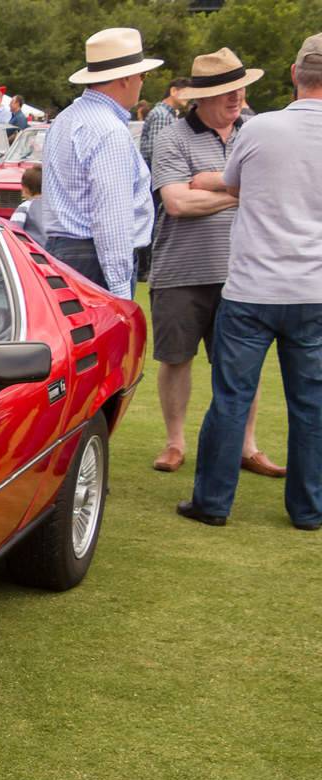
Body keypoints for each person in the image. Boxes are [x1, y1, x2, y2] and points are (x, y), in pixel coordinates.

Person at [180, 34, 322, 531]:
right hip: (313, 288)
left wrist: (209, 180)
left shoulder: (260, 128)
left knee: (231, 397)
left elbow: (236, 183)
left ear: (293, 73)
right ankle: (308, 508)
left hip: (252, 286)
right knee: (311, 401)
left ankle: (213, 502)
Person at [147, 48, 275, 477]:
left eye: (239, 87)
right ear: (199, 98)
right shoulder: (172, 138)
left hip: (243, 271)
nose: (236, 97)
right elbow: (178, 202)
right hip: (181, 270)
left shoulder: (254, 132)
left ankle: (246, 445)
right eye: (225, 91)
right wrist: (241, 191)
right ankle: (174, 442)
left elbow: (270, 189)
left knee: (242, 363)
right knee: (176, 358)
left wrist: (212, 188)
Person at [41, 27, 160, 298]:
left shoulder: (66, 118)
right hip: (94, 258)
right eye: (143, 75)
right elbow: (112, 219)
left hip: (64, 251)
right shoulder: (109, 130)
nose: (143, 81)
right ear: (126, 78)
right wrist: (120, 292)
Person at [139, 77, 190, 168]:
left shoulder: (167, 114)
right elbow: (157, 152)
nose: (189, 97)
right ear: (173, 91)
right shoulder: (162, 115)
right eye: (186, 92)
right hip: (158, 173)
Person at [9, 164, 48, 242]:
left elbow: (13, 234)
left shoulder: (24, 208)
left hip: (34, 251)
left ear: (26, 189)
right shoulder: (55, 206)